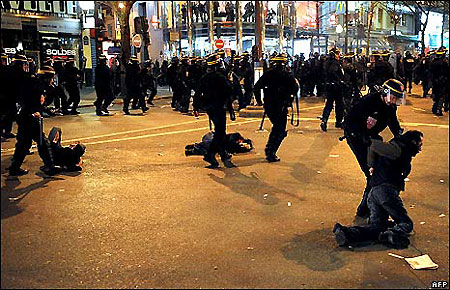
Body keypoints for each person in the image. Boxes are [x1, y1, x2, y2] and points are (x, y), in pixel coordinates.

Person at [333, 130, 423, 249]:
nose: (420, 148)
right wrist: (371, 165)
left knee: (377, 227)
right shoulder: (397, 150)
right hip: (386, 191)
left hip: (374, 192)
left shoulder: (400, 151)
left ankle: (347, 232)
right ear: (412, 142)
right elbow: (374, 144)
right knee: (406, 223)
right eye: (419, 144)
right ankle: (389, 235)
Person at [343, 78, 405, 219]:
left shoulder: (390, 106)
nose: (394, 101)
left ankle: (369, 207)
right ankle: (364, 209)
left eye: (397, 98)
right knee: (372, 173)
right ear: (385, 93)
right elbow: (350, 121)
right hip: (356, 138)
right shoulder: (367, 102)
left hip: (371, 138)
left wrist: (400, 136)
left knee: (379, 172)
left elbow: (392, 121)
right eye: (393, 97)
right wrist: (362, 137)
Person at [8, 56, 63, 176]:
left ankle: (16, 167)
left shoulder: (35, 83)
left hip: (27, 116)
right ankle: (49, 166)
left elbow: (38, 103)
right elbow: (30, 100)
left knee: (30, 143)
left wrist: (46, 110)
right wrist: (34, 112)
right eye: (51, 78)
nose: (52, 81)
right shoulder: (35, 85)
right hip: (28, 117)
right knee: (37, 142)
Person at [253, 53, 299, 162]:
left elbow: (256, 87)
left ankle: (270, 149)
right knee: (280, 130)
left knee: (277, 127)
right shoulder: (287, 75)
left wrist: (259, 101)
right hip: (281, 106)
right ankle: (271, 150)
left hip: (269, 105)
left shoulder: (268, 74)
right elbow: (295, 89)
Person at [198, 54, 236, 168]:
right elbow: (230, 90)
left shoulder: (205, 77)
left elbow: (198, 92)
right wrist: (230, 81)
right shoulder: (220, 77)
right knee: (220, 132)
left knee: (221, 132)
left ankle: (223, 153)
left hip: (210, 107)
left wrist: (197, 106)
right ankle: (210, 154)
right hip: (218, 106)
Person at [320, 47, 345, 132]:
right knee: (339, 105)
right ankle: (338, 122)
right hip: (336, 87)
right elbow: (332, 72)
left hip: (329, 86)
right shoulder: (334, 63)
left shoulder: (326, 62)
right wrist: (339, 80)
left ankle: (324, 120)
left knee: (329, 104)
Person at [430, 47, 448, 116]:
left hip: (435, 81)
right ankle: (438, 109)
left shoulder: (433, 61)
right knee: (441, 96)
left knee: (436, 94)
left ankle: (435, 108)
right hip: (443, 81)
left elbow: (430, 71)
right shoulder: (444, 62)